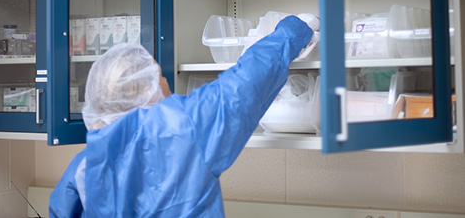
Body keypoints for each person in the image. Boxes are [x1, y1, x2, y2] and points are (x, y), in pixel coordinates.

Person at [49, 15, 313, 217]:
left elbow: (59, 210)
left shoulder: (85, 163)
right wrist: (295, 29)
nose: (165, 81)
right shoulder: (181, 128)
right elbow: (246, 84)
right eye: (160, 76)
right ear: (146, 89)